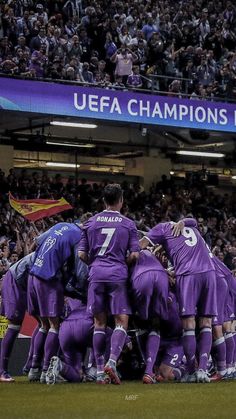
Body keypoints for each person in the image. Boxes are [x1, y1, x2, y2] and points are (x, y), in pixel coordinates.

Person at [140, 218, 217, 383]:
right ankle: (203, 370)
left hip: (188, 274)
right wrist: (184, 221)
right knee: (206, 323)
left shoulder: (161, 228)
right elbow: (194, 221)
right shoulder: (187, 226)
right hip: (209, 272)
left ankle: (190, 371)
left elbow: (140, 245)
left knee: (189, 324)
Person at [78, 183, 140, 384]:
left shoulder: (90, 223)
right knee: (121, 320)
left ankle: (98, 370)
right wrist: (123, 262)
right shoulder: (128, 224)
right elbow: (135, 255)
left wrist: (95, 264)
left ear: (103, 201)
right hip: (117, 275)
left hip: (96, 274)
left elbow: (81, 254)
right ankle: (111, 362)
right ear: (121, 201)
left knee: (99, 323)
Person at [27, 222, 82, 383]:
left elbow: (35, 243)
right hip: (49, 278)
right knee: (54, 325)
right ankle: (46, 371)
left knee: (43, 325)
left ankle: (34, 369)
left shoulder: (61, 225)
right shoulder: (79, 236)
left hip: (34, 274)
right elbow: (78, 269)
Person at [130, 249, 169, 384]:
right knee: (155, 323)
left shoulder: (127, 249)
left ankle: (147, 368)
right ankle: (149, 371)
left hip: (141, 277)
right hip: (161, 276)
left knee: (138, 322)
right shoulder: (149, 252)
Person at [0, 252, 35, 382]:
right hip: (15, 281)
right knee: (14, 325)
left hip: (27, 284)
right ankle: (2, 371)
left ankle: (32, 366)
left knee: (44, 321)